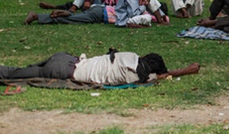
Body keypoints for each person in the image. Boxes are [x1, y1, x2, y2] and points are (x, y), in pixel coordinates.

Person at [0, 49, 200, 86]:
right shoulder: (137, 78)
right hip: (64, 71)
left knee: (17, 71)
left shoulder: (128, 56)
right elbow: (164, 75)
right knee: (15, 74)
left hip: (66, 60)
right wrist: (189, 69)